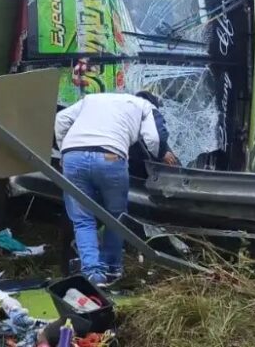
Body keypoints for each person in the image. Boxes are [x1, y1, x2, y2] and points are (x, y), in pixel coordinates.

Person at [54, 91, 177, 287]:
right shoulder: (145, 107)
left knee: (83, 219)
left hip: (73, 156)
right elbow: (153, 138)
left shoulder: (93, 98)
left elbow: (61, 119)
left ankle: (93, 273)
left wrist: (64, 152)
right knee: (115, 217)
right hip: (110, 157)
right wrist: (159, 156)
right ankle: (111, 268)